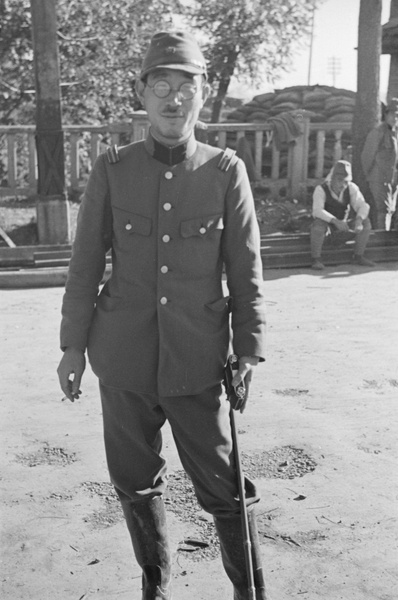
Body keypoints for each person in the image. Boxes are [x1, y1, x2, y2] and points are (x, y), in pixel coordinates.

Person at [57, 31, 270, 600]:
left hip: (197, 361)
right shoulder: (113, 168)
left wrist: (247, 349)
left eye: (185, 88)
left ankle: (249, 591)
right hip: (122, 360)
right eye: (160, 87)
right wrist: (71, 347)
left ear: (203, 96)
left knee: (223, 485)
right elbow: (84, 266)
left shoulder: (225, 170)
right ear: (142, 95)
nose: (173, 100)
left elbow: (245, 269)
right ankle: (157, 586)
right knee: (133, 484)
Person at [310, 160, 375, 270]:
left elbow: (363, 205)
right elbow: (317, 210)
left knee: (365, 222)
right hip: (327, 225)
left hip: (344, 225)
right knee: (318, 226)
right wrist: (335, 221)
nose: (343, 185)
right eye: (339, 180)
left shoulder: (351, 188)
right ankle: (316, 259)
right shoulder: (321, 189)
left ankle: (358, 256)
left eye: (346, 181)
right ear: (332, 178)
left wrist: (359, 220)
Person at [361, 101, 398, 230]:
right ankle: (382, 241)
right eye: (393, 115)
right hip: (379, 179)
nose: (395, 118)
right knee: (383, 211)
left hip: (392, 181)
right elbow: (367, 157)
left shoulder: (395, 134)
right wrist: (372, 176)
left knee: (390, 211)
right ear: (386, 115)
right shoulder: (378, 133)